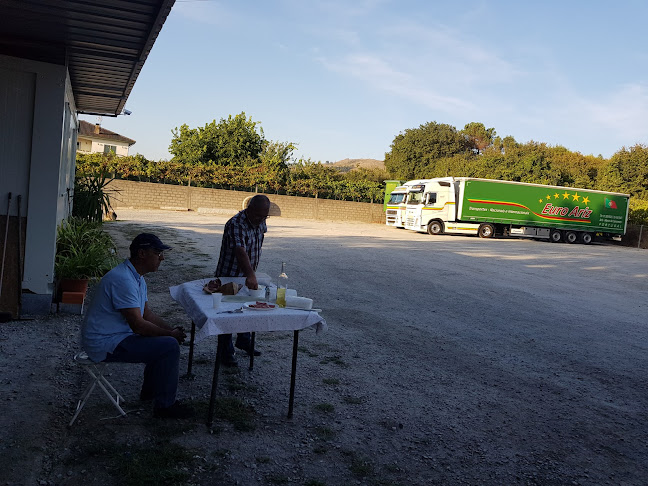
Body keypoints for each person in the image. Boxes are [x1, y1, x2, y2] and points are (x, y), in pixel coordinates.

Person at [81, 233, 193, 419]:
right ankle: (165, 406)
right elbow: (139, 326)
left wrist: (170, 330)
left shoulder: (136, 277)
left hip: (116, 336)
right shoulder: (123, 279)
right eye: (157, 253)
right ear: (142, 253)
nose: (161, 258)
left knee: (163, 341)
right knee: (169, 346)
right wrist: (170, 336)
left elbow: (147, 314)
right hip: (104, 343)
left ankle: (150, 393)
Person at [215, 194, 270, 367]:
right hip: (228, 275)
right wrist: (250, 274)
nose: (261, 219)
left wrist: (251, 273)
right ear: (249, 209)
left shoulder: (260, 221)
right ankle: (225, 352)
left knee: (248, 307)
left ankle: (244, 340)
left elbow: (257, 243)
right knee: (228, 312)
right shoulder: (236, 224)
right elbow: (240, 250)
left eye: (264, 216)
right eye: (258, 215)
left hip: (247, 274)